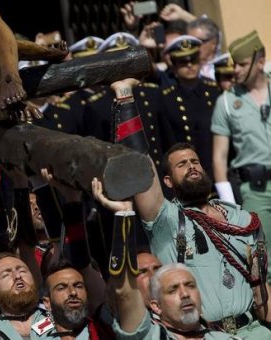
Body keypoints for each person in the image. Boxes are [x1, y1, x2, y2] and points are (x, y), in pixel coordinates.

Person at [93, 78, 271, 337]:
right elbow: (143, 167)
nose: (191, 166)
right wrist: (125, 97)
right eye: (182, 164)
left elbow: (262, 288)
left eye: (195, 161)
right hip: (203, 334)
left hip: (255, 331)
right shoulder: (165, 218)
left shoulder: (242, 218)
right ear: (168, 181)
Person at [211, 30, 271, 283]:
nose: (235, 69)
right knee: (263, 258)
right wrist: (229, 203)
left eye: (242, 64)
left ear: (260, 62)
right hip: (254, 190)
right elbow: (219, 157)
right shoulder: (226, 102)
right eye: (234, 64)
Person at [159, 35, 221, 178]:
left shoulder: (214, 91)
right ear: (173, 66)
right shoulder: (166, 97)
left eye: (193, 60)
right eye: (183, 62)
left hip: (214, 169)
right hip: (186, 175)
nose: (189, 65)